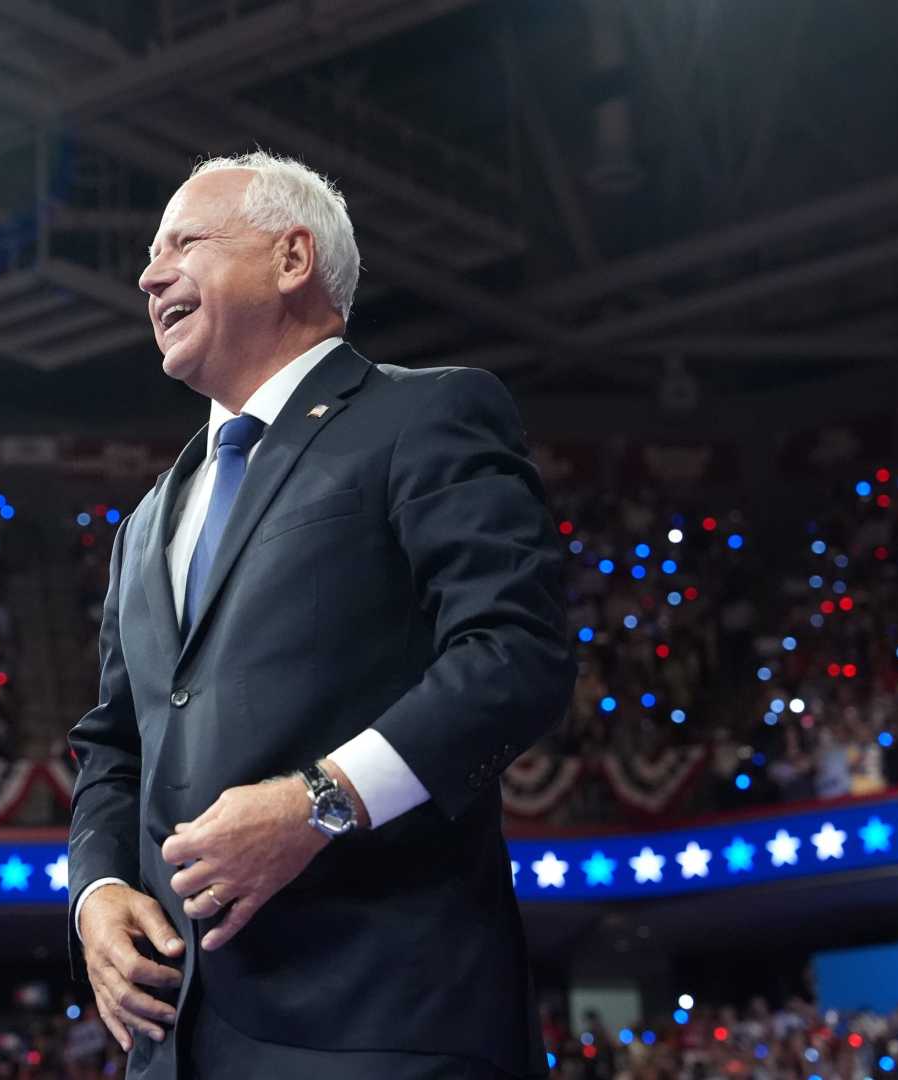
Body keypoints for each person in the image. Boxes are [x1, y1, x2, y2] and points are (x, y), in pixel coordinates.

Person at [66, 151, 576, 1079]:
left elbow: (516, 653)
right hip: (177, 1041)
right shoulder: (147, 521)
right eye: (150, 255)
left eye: (183, 242)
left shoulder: (424, 415)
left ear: (292, 257)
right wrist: (97, 891)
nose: (147, 274)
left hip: (381, 1022)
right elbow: (113, 747)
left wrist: (322, 801)